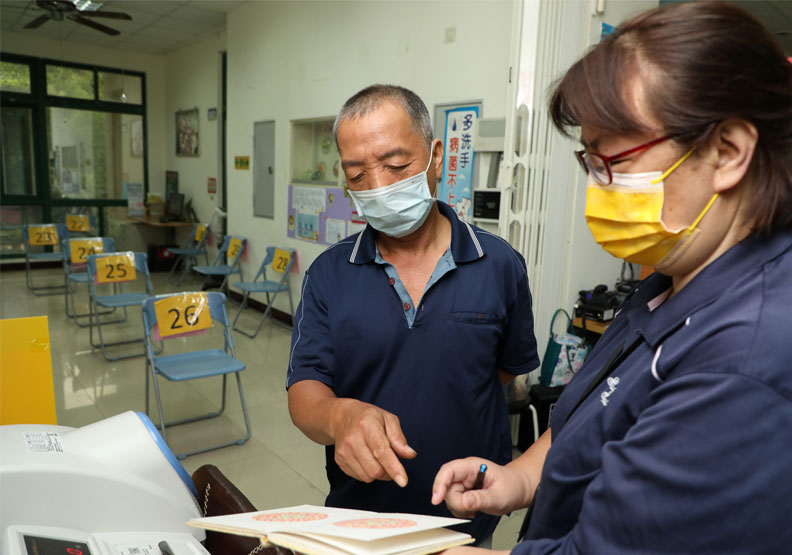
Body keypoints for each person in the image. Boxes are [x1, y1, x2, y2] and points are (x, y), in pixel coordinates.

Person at [431, 2, 792, 553]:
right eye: (590, 163)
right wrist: (522, 477)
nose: (598, 190)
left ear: (728, 151)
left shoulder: (746, 359)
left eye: (614, 162)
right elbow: (598, 407)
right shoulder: (673, 280)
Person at [287, 84, 539, 543]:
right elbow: (304, 391)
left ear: (435, 157)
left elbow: (503, 370)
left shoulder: (500, 264)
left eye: (396, 164)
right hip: (360, 514)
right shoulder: (328, 273)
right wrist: (339, 417)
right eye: (357, 174)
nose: (379, 186)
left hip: (465, 513)